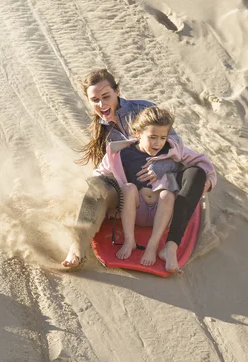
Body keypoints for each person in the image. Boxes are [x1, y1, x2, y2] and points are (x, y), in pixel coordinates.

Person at [62, 69, 215, 273]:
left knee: (195, 173)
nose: (101, 104)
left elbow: (174, 146)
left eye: (106, 97)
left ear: (118, 91)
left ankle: (170, 245)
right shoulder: (105, 134)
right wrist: (104, 195)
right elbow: (104, 170)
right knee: (100, 187)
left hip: (162, 191)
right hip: (131, 197)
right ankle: (78, 246)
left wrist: (161, 167)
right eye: (95, 100)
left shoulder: (143, 110)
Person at [93, 106, 216, 267]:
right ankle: (130, 241)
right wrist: (109, 204)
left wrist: (207, 183)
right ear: (138, 134)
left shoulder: (173, 150)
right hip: (136, 209)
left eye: (162, 137)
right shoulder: (122, 153)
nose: (158, 143)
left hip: (162, 212)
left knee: (167, 195)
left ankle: (152, 246)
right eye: (152, 137)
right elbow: (99, 175)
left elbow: (202, 164)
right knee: (129, 188)